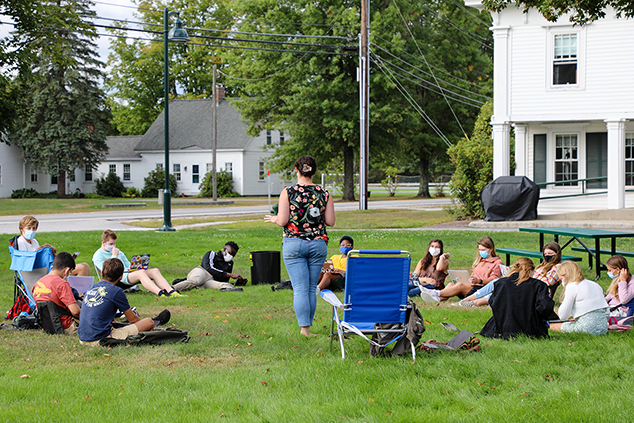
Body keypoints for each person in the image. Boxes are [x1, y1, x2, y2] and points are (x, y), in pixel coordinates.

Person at [264, 155, 335, 337]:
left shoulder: (287, 192)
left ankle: (305, 329)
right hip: (318, 244)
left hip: (294, 243)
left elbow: (282, 221)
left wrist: (274, 219)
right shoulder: (324, 193)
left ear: (297, 169)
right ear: (314, 171)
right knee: (311, 287)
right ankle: (307, 328)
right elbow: (330, 221)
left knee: (300, 288)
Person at [78, 258, 171, 346]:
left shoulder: (91, 287)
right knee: (148, 322)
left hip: (82, 338)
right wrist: (144, 325)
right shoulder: (116, 291)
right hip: (100, 339)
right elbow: (133, 320)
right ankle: (155, 322)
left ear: (102, 273)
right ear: (121, 277)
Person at [455, 241, 563, 307]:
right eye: (546, 253)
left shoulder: (558, 267)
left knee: (503, 286)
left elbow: (545, 282)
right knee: (499, 283)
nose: (547, 256)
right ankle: (469, 300)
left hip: (534, 290)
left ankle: (473, 302)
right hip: (527, 285)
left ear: (557, 254)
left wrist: (527, 278)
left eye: (550, 254)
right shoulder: (541, 266)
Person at [481, 257, 555, 339]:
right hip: (530, 328)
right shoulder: (538, 285)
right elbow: (545, 307)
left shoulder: (500, 283)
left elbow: (493, 302)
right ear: (531, 270)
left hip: (502, 328)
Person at [92, 230, 182, 297]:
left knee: (154, 271)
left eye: (114, 243)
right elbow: (107, 272)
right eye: (111, 244)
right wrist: (114, 256)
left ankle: (171, 291)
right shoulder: (98, 255)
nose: (113, 246)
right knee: (141, 273)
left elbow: (127, 265)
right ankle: (160, 293)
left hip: (126, 274)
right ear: (103, 242)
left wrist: (134, 266)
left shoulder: (119, 252)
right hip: (116, 279)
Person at [420, 236, 502, 302]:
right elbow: (474, 275)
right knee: (451, 285)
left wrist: (479, 281)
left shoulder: (497, 263)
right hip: (472, 286)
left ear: (491, 249)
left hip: (481, 289)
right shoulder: (480, 261)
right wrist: (469, 279)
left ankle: (434, 293)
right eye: (480, 250)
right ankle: (437, 298)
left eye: (483, 250)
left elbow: (495, 280)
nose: (481, 252)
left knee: (459, 285)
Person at [14, 215, 91, 276]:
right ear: (21, 229)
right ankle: (79, 293)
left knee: (85, 265)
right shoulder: (20, 242)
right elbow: (25, 264)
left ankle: (85, 293)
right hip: (37, 272)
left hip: (44, 267)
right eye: (29, 228)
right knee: (81, 268)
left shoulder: (34, 241)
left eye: (34, 228)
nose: (32, 231)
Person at [549, 261, 609, 335]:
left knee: (553, 326)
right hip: (603, 327)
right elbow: (606, 311)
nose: (562, 282)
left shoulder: (572, 286)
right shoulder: (595, 284)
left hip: (585, 328)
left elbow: (563, 316)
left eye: (562, 279)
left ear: (566, 276)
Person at [32, 252, 81, 335]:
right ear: (67, 270)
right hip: (66, 326)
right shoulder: (62, 284)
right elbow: (75, 312)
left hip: (48, 326)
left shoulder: (37, 284)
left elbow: (38, 310)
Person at [173, 242, 244, 292]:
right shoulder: (212, 254)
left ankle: (229, 290)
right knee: (196, 281)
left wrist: (239, 281)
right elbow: (209, 268)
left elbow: (224, 279)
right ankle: (171, 289)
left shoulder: (230, 263)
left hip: (210, 280)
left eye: (233, 255)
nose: (230, 257)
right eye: (230, 253)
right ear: (224, 250)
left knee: (225, 285)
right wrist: (230, 275)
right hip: (202, 272)